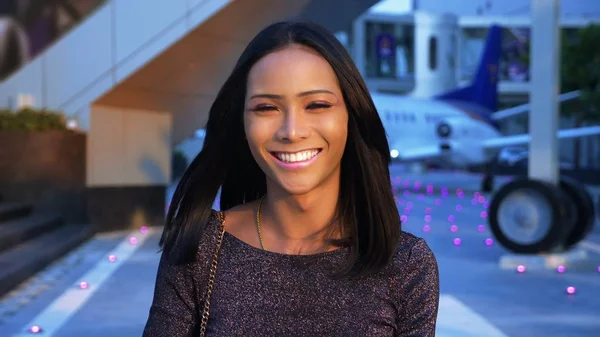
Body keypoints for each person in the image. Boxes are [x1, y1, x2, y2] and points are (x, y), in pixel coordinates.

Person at [143, 20, 439, 336]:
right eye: (267, 107)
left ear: (351, 116)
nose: (292, 131)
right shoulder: (198, 248)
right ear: (242, 122)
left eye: (317, 105)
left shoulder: (405, 264)